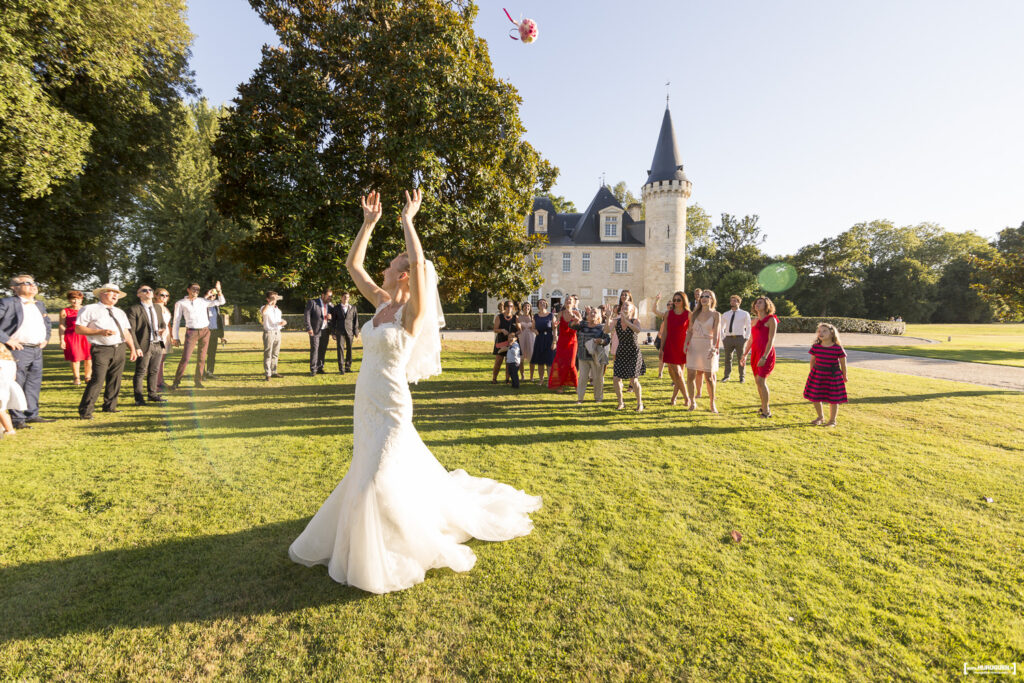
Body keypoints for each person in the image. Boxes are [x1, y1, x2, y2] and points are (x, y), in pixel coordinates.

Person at [289, 189, 541, 594]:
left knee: (375, 478)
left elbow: (419, 264)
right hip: (364, 400)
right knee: (366, 471)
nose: (386, 266)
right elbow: (354, 265)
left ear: (404, 274)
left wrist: (409, 221)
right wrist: (367, 224)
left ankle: (389, 546)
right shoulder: (381, 302)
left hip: (390, 404)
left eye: (393, 263)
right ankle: (373, 531)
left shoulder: (412, 312)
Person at [76, 283, 140, 418]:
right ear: (102, 294)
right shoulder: (90, 309)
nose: (115, 295)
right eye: (111, 292)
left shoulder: (120, 312)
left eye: (117, 293)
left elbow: (126, 332)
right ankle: (86, 411)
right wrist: (100, 332)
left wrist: (132, 348)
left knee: (115, 379)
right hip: (101, 349)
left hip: (119, 348)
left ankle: (110, 406)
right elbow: (79, 329)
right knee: (98, 379)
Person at [0, 274, 54, 429]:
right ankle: (18, 419)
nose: (33, 286)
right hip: (17, 349)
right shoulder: (8, 303)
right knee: (17, 383)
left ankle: (32, 414)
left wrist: (46, 338)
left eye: (34, 283)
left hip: (36, 349)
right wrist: (7, 339)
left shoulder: (39, 304)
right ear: (15, 288)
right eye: (27, 283)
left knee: (33, 382)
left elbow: (47, 323)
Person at [171, 281, 225, 389]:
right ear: (188, 290)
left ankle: (198, 381)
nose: (196, 291)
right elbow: (176, 321)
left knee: (202, 358)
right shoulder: (180, 303)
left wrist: (219, 291)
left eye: (198, 289)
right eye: (194, 289)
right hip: (191, 331)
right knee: (185, 358)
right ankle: (176, 381)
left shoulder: (203, 301)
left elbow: (221, 302)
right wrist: (175, 337)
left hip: (205, 331)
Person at [126, 285, 168, 406]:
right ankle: (139, 398)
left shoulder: (157, 308)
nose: (148, 292)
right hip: (144, 344)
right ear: (139, 294)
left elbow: (162, 324)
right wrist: (136, 347)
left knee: (154, 370)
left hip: (158, 343)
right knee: (141, 371)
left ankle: (152, 394)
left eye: (150, 290)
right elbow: (131, 330)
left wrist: (163, 329)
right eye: (144, 290)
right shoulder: (134, 309)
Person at [804, 323, 848, 426]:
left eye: (824, 331)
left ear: (832, 333)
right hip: (818, 374)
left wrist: (844, 375)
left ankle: (832, 420)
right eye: (819, 331)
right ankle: (820, 417)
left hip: (833, 376)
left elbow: (843, 362)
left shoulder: (837, 348)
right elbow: (812, 361)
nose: (821, 333)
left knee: (833, 399)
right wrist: (812, 374)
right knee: (816, 396)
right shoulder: (816, 347)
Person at [684, 290, 721, 412]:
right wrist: (686, 343)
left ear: (712, 299)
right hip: (694, 346)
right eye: (702, 296)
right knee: (690, 376)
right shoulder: (694, 314)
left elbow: (716, 334)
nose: (704, 298)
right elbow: (689, 331)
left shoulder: (716, 315)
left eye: (707, 296)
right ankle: (692, 402)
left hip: (708, 346)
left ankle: (712, 403)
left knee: (709, 377)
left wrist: (714, 347)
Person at [610, 290, 645, 411]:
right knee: (616, 378)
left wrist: (626, 321)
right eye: (623, 305)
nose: (624, 306)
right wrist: (609, 317)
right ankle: (621, 402)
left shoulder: (635, 321)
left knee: (634, 380)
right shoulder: (616, 321)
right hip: (621, 351)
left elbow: (638, 330)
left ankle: (639, 403)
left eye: (627, 305)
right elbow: (606, 330)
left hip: (633, 352)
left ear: (632, 309)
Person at [743, 296, 778, 418]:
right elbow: (751, 339)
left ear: (767, 305)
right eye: (756, 303)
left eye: (760, 302)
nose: (757, 304)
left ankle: (767, 410)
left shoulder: (771, 320)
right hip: (755, 353)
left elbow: (771, 340)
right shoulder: (754, 321)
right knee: (758, 382)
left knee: (761, 381)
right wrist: (745, 354)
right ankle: (763, 406)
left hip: (766, 353)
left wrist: (764, 357)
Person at [658, 291, 691, 407]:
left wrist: (688, 345)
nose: (676, 302)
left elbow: (691, 332)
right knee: (675, 374)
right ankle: (677, 398)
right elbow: (665, 331)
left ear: (683, 301)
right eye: (674, 300)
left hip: (682, 347)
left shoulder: (688, 314)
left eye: (678, 300)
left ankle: (685, 399)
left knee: (679, 374)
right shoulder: (668, 314)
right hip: (670, 345)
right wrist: (661, 348)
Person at [572, 307, 611, 404]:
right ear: (588, 315)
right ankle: (580, 398)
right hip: (583, 355)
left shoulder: (602, 327)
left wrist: (600, 341)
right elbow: (571, 326)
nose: (593, 314)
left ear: (599, 316)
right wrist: (575, 321)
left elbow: (607, 340)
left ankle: (598, 398)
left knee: (598, 378)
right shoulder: (582, 324)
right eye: (591, 312)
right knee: (582, 378)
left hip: (596, 356)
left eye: (595, 312)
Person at [548, 294, 580, 392]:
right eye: (566, 300)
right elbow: (555, 327)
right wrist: (554, 326)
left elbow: (581, 324)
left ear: (574, 302)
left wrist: (575, 318)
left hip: (572, 342)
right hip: (562, 341)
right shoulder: (560, 313)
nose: (568, 301)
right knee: (560, 363)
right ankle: (560, 385)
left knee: (571, 364)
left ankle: (576, 385)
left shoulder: (577, 313)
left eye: (570, 300)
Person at [59, 290, 92, 385]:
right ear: (69, 300)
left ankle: (88, 377)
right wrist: (62, 340)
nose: (76, 301)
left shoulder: (86, 309)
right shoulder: (64, 311)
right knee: (75, 357)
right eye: (73, 299)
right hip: (71, 336)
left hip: (86, 335)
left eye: (78, 299)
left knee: (89, 357)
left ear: (81, 300)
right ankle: (76, 378)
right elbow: (62, 325)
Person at [720, 295, 751, 383]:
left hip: (740, 338)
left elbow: (748, 327)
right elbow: (721, 327)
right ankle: (726, 376)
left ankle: (742, 377)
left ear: (739, 302)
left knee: (741, 358)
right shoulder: (726, 314)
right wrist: (723, 338)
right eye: (732, 301)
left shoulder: (744, 314)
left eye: (735, 301)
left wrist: (746, 338)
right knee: (727, 358)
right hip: (728, 339)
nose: (733, 302)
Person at [305, 287, 333, 376]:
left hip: (326, 331)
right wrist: (309, 328)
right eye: (328, 296)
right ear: (323, 295)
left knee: (323, 349)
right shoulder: (312, 303)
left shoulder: (331, 305)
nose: (330, 298)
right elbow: (307, 316)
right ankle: (313, 369)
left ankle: (320, 368)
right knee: (315, 349)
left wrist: (331, 317)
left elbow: (334, 318)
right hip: (315, 330)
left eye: (331, 297)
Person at [0, 343, 27, 438]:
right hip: (7, 388)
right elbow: (14, 377)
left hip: (1, 388)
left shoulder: (1, 363)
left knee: (1, 411)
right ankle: (3, 427)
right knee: (3, 410)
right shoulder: (11, 363)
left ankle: (9, 429)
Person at [331, 291, 359, 374]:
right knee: (340, 350)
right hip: (339, 332)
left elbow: (355, 320)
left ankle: (348, 367)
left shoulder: (353, 308)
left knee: (349, 349)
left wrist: (356, 331)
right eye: (344, 297)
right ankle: (341, 368)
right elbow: (333, 321)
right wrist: (333, 332)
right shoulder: (336, 308)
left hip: (350, 332)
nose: (346, 299)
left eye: (347, 297)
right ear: (341, 298)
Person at [491, 300, 519, 383]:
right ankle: (494, 379)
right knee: (498, 361)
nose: (510, 308)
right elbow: (495, 330)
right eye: (508, 306)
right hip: (501, 341)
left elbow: (519, 330)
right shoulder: (499, 317)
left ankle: (507, 379)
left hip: (511, 342)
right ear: (505, 307)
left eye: (511, 306)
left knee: (509, 361)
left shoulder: (515, 318)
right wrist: (502, 330)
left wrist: (514, 337)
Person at [261, 291, 286, 380]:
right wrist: (269, 303)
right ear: (268, 299)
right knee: (268, 353)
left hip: (277, 332)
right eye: (272, 298)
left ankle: (274, 371)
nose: (274, 300)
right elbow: (263, 312)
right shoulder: (265, 307)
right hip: (269, 332)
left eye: (275, 298)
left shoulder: (278, 310)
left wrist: (283, 322)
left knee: (275, 353)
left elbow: (278, 320)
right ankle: (268, 374)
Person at [531, 299, 555, 384]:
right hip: (539, 339)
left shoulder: (551, 315)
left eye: (544, 303)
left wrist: (554, 341)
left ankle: (549, 380)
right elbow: (532, 327)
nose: (542, 304)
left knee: (549, 361)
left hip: (549, 339)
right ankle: (541, 379)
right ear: (538, 305)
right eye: (540, 303)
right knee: (540, 361)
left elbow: (554, 328)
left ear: (546, 304)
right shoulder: (536, 316)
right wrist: (535, 331)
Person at [154, 289, 172, 390]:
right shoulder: (154, 307)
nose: (165, 297)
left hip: (166, 337)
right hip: (159, 337)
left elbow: (168, 323)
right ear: (156, 296)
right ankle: (155, 384)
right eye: (162, 295)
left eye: (167, 295)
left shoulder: (165, 308)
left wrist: (172, 336)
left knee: (162, 360)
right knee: (158, 359)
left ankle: (161, 381)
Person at [204, 291, 224, 380]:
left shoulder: (216, 307)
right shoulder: (203, 306)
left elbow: (219, 322)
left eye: (214, 295)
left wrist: (222, 335)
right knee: (203, 354)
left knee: (212, 354)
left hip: (214, 332)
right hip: (205, 332)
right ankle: (201, 373)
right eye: (210, 295)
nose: (212, 297)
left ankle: (209, 372)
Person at [516, 301, 535, 381]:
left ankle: (531, 376)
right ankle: (522, 376)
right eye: (525, 306)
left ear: (530, 308)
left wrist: (533, 328)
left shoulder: (533, 317)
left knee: (532, 358)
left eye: (528, 307)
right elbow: (517, 328)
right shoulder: (518, 318)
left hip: (531, 338)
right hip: (522, 337)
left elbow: (536, 328)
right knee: (521, 358)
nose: (526, 308)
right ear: (522, 308)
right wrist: (519, 328)